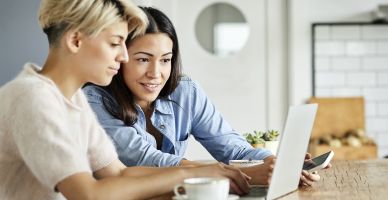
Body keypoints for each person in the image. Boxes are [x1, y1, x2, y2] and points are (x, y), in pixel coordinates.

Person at [0, 1, 252, 199]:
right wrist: (196, 172)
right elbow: (90, 195)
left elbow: (118, 173)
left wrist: (200, 173)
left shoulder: (73, 99)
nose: (123, 57)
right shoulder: (33, 97)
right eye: (114, 44)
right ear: (76, 40)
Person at [83, 6, 321, 186]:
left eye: (165, 60)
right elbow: (143, 159)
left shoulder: (185, 91)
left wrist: (272, 163)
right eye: (143, 59)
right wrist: (241, 173)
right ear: (121, 57)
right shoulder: (95, 99)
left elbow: (233, 149)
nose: (156, 73)